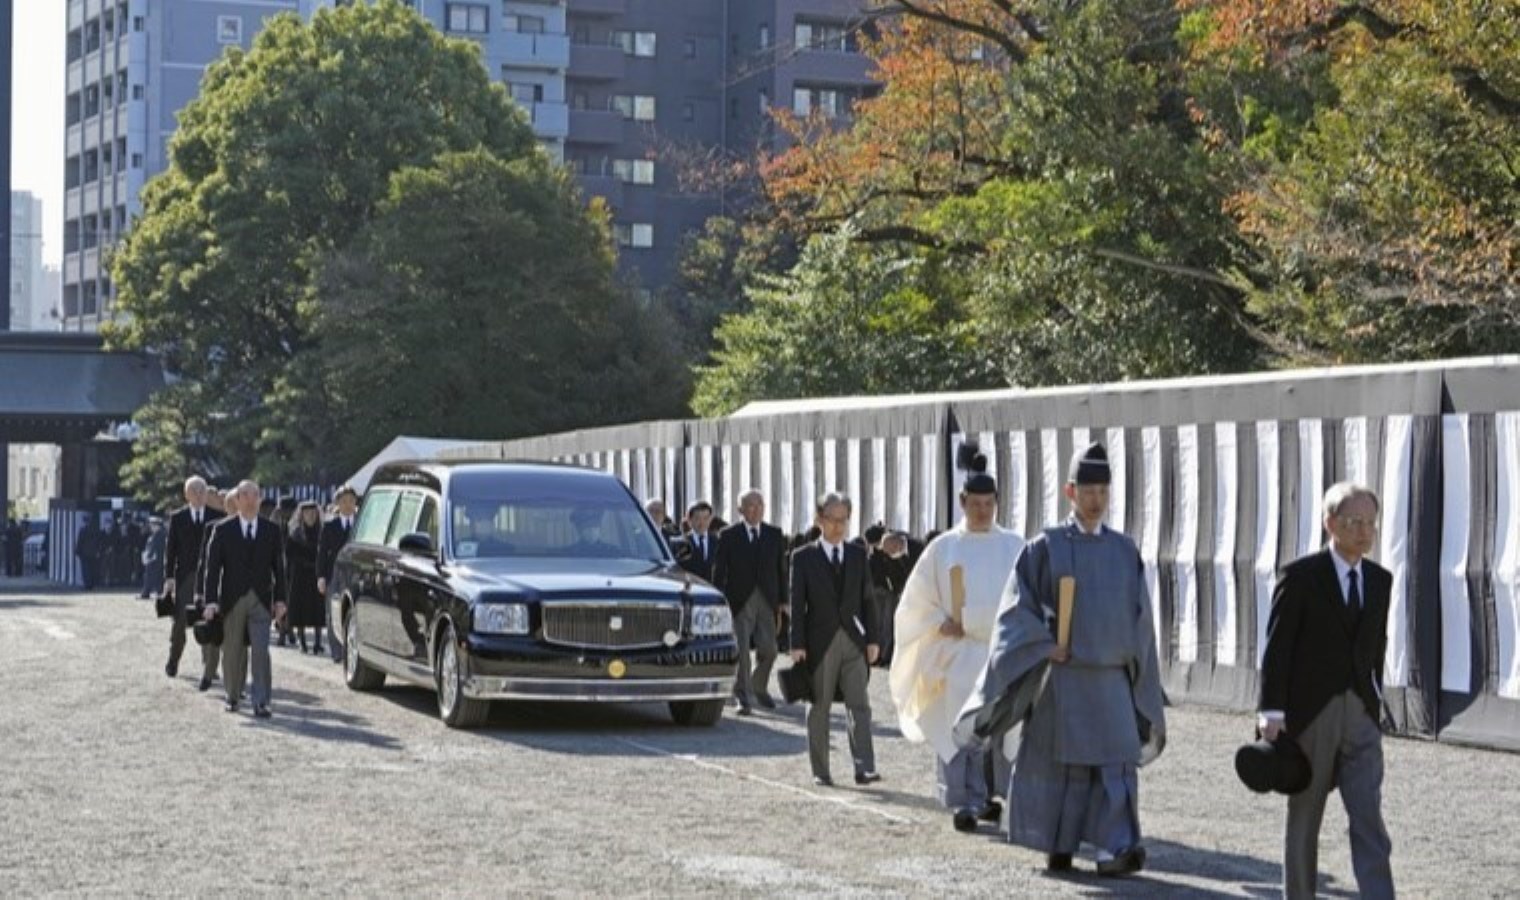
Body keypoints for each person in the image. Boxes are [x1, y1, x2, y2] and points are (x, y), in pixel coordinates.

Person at [955, 442, 1165, 876]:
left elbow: (1141, 619)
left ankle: (1116, 849)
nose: (1096, 500)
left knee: (1116, 765)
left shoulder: (1125, 551)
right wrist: (1043, 644)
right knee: (1064, 766)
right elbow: (1016, 608)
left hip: (1111, 678)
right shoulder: (1045, 546)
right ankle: (1059, 843)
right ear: (1070, 492)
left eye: (1103, 491)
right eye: (1088, 491)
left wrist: (1138, 668)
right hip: (1065, 676)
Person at [1260, 482, 1394, 899]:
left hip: (1360, 713)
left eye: (1371, 523)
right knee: (1306, 816)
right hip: (1311, 713)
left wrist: (1375, 701)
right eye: (1355, 522)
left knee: (1368, 815)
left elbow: (1376, 646)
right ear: (1330, 523)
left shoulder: (1380, 580)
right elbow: (1278, 647)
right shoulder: (1300, 576)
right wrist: (1271, 711)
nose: (1365, 532)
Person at [891, 459, 1024, 832]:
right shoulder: (943, 547)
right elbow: (916, 601)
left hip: (999, 651)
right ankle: (962, 801)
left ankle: (994, 796)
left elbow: (1027, 598)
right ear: (963, 502)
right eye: (975, 503)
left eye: (989, 504)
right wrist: (941, 623)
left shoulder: (1015, 545)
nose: (982, 511)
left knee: (1000, 728)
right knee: (957, 726)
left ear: (996, 503)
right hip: (957, 651)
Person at [790, 492, 881, 788]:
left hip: (854, 640)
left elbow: (869, 599)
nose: (839, 526)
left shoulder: (857, 554)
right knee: (819, 707)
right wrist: (797, 643)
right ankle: (821, 770)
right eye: (832, 519)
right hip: (819, 642)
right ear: (819, 520)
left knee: (860, 705)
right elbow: (797, 603)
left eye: (844, 520)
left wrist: (874, 639)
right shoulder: (802, 557)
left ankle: (864, 767)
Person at [201, 480, 287, 718]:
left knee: (261, 650)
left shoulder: (271, 530)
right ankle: (232, 695)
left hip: (261, 599)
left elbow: (279, 568)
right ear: (236, 501)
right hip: (232, 598)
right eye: (245, 496)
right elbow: (212, 568)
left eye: (255, 496)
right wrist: (210, 601)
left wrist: (281, 600)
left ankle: (261, 701)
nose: (250, 500)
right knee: (233, 650)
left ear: (260, 500)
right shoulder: (223, 529)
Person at [711, 489, 787, 715]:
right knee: (742, 650)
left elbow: (781, 569)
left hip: (767, 598)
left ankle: (758, 685)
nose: (756, 510)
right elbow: (720, 569)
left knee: (770, 649)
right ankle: (742, 696)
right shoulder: (729, 534)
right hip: (739, 598)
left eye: (760, 505)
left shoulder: (774, 534)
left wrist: (783, 599)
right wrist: (719, 598)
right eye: (750, 505)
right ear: (740, 509)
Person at [165, 478, 221, 689]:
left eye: (202, 490)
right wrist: (169, 577)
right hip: (185, 578)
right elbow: (170, 551)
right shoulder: (178, 518)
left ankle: (209, 667)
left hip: (208, 577)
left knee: (208, 621)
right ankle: (174, 659)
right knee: (180, 623)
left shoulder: (217, 518)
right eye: (194, 491)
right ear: (186, 494)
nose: (198, 494)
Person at [317, 485, 359, 662]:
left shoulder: (361, 523)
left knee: (354, 612)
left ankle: (354, 650)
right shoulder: (330, 526)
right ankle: (337, 651)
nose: (347, 505)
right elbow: (322, 552)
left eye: (350, 501)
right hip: (334, 573)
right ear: (337, 504)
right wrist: (321, 576)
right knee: (333, 611)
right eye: (343, 501)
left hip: (355, 573)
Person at [285, 501, 326, 654]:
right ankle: (302, 642)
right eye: (307, 513)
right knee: (300, 609)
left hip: (316, 575)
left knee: (318, 608)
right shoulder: (295, 533)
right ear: (301, 515)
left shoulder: (322, 532)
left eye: (313, 513)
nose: (311, 516)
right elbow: (290, 554)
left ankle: (317, 642)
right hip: (299, 575)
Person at [679, 501, 715, 581]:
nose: (702, 523)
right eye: (697, 518)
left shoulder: (718, 542)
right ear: (689, 520)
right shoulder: (681, 543)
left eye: (706, 518)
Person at [139, 517, 167, 599]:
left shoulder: (160, 534)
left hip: (156, 559)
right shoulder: (156, 534)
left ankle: (148, 593)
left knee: (153, 576)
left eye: (153, 525)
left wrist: (148, 556)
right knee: (152, 576)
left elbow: (155, 548)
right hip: (154, 559)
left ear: (158, 526)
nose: (151, 527)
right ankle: (149, 592)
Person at [75, 517, 103, 590]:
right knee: (92, 569)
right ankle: (92, 584)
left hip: (84, 553)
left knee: (85, 570)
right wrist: (98, 551)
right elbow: (99, 542)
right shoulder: (96, 530)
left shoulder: (83, 531)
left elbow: (80, 542)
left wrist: (77, 551)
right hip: (93, 553)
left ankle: (87, 585)